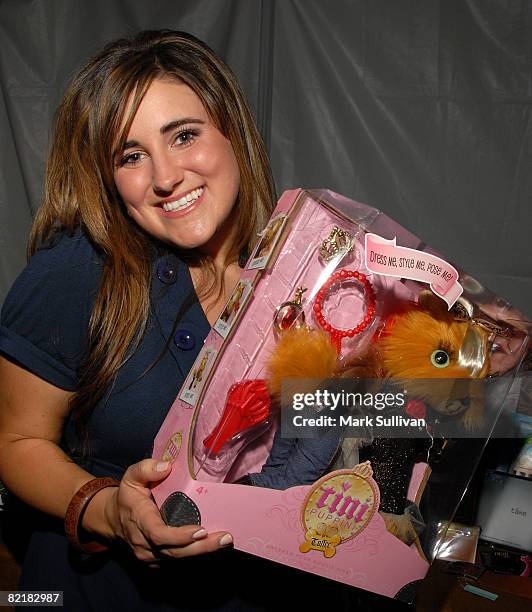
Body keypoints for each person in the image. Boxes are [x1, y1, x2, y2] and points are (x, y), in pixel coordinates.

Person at [0, 29, 283, 610]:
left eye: (184, 135)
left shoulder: (290, 270)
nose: (165, 176)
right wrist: (106, 508)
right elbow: (16, 440)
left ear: (232, 131)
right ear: (106, 178)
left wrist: (461, 359)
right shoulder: (75, 271)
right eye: (131, 155)